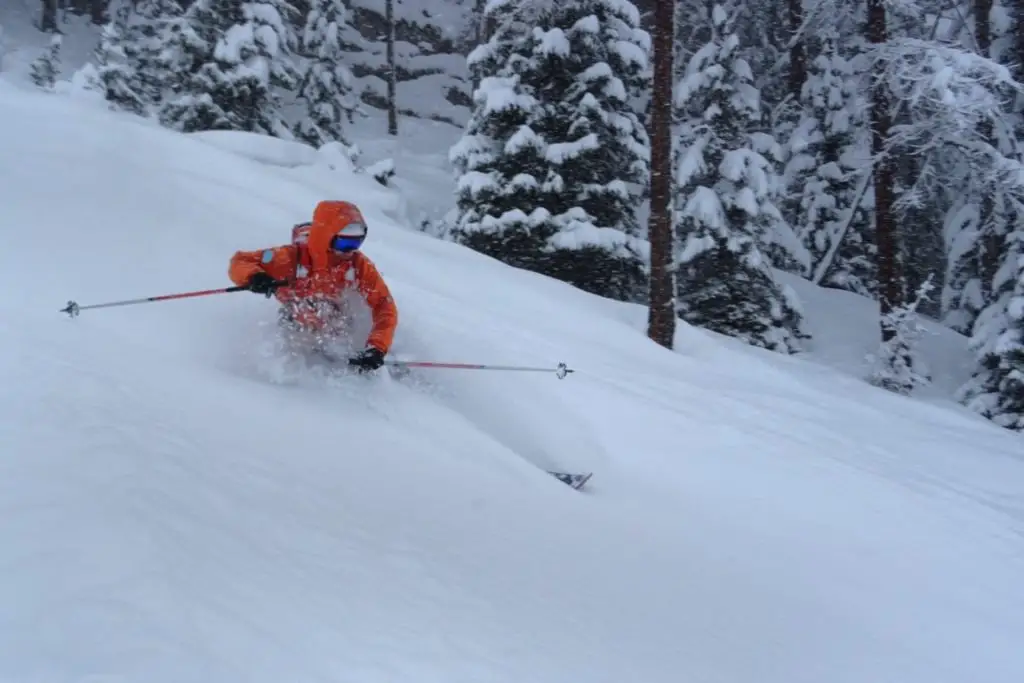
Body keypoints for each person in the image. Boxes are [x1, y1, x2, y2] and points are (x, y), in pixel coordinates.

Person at [228, 200, 397, 372]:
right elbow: (241, 261)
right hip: (296, 326)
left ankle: (359, 360)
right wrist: (255, 277)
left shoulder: (358, 265)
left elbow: (384, 304)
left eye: (356, 244)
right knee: (300, 327)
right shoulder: (290, 258)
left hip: (339, 328)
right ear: (326, 237)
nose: (349, 251)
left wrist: (377, 347)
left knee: (340, 326)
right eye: (344, 244)